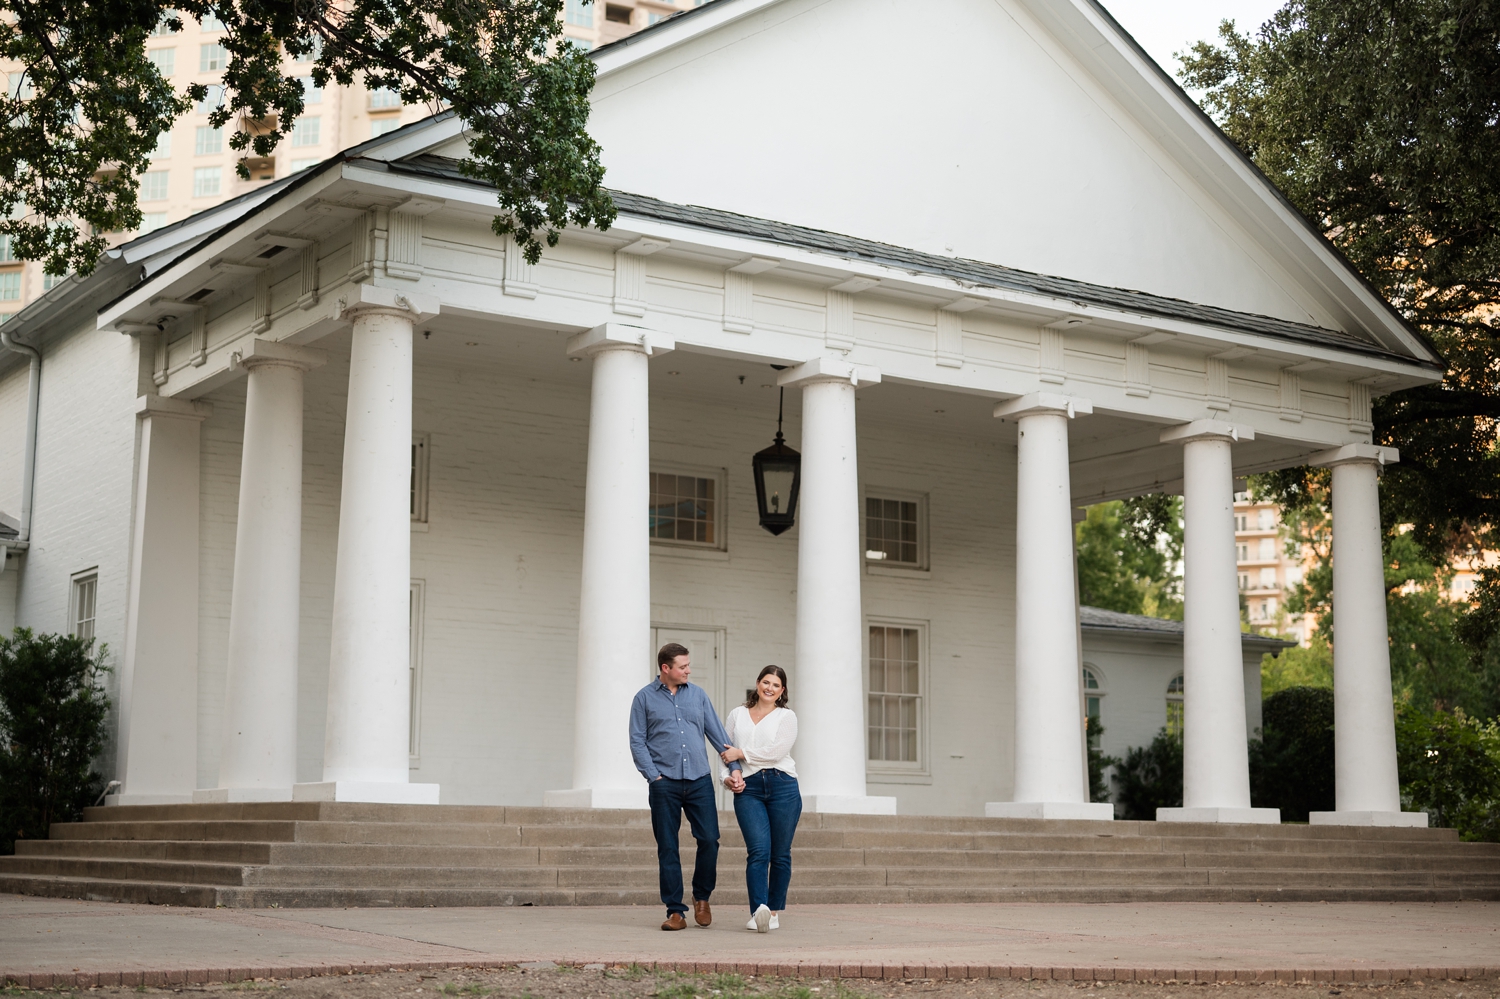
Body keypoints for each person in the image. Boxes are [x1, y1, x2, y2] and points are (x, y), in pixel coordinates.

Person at [629, 642, 741, 931]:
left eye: (688, 665)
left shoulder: (698, 696)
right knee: (668, 847)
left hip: (699, 780)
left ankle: (702, 896)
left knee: (709, 839)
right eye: (683, 666)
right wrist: (653, 776)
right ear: (666, 668)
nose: (688, 670)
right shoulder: (643, 699)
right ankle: (675, 911)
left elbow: (717, 735)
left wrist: (735, 766)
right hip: (664, 783)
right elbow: (637, 741)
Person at [720, 665, 800, 933]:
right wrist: (727, 778)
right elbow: (725, 753)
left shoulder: (786, 717)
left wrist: (741, 754)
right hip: (749, 789)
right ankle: (758, 911)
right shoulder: (737, 714)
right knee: (758, 851)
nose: (770, 688)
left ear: (782, 691)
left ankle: (773, 911)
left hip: (783, 787)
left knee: (780, 854)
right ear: (757, 683)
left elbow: (776, 752)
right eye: (766, 682)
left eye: (776, 685)